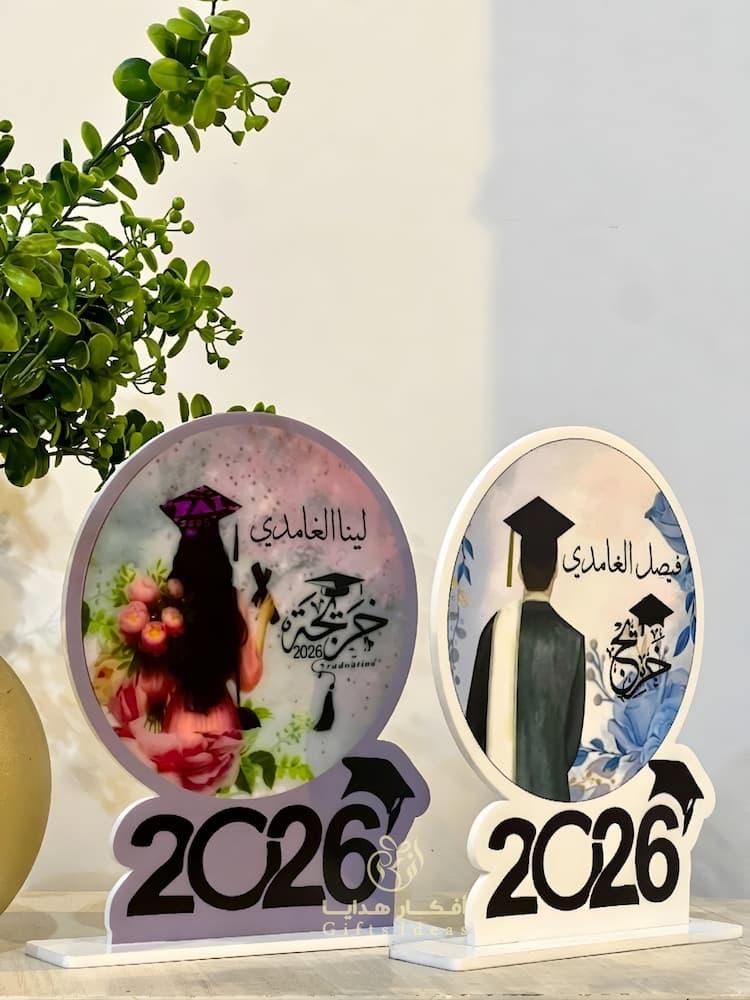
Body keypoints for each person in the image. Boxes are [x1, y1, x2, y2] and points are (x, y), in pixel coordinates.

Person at [465, 496, 585, 801]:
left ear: (518, 569)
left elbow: (474, 721)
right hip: (552, 794)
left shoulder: (496, 628)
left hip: (500, 792)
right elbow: (571, 741)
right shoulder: (573, 640)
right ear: (556, 571)